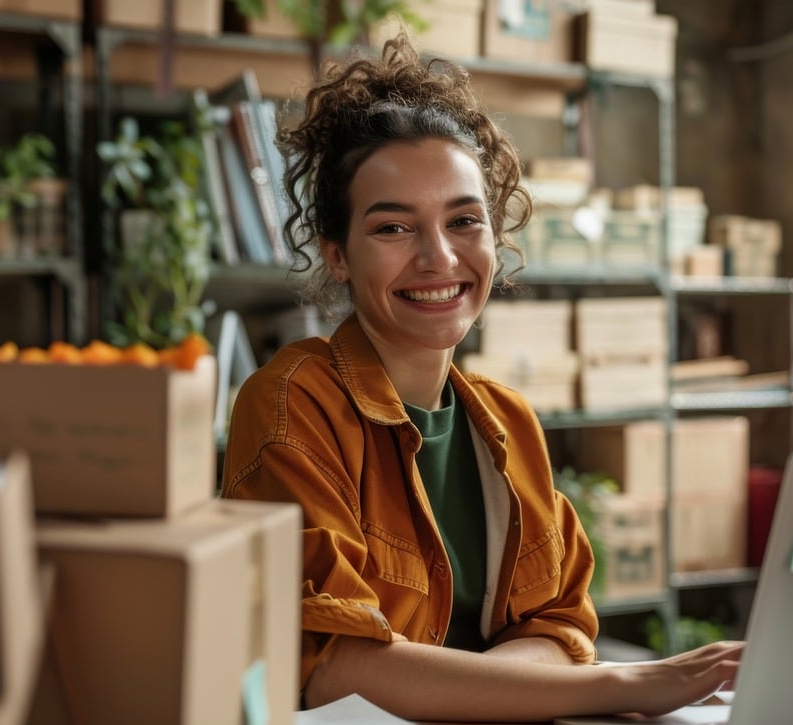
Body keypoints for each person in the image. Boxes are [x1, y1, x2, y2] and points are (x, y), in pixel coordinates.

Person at [221, 33, 744, 722]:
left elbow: (560, 629)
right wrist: (620, 685)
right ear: (336, 255)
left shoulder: (508, 422)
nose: (440, 257)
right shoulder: (293, 404)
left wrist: (481, 694)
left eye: (465, 220)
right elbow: (336, 670)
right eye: (393, 229)